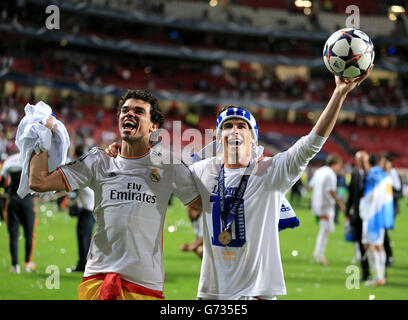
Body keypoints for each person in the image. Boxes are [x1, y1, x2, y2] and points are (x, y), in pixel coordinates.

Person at [187, 67, 371, 300]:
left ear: (252, 137)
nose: (234, 130)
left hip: (257, 294)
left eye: (241, 126)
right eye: (227, 126)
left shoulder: (271, 171)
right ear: (218, 136)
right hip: (212, 294)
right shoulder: (202, 170)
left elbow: (310, 144)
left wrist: (340, 93)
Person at [27, 89, 202, 300]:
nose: (129, 114)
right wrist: (41, 135)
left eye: (139, 111)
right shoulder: (98, 161)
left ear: (154, 126)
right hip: (98, 280)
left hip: (144, 285)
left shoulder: (167, 165)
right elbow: (38, 181)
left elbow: (207, 205)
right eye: (125, 110)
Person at [360, 153, 394, 286]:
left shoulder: (373, 175)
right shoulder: (385, 176)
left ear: (368, 162)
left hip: (371, 215)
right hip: (382, 215)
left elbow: (371, 196)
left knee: (369, 245)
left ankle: (377, 277)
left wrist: (363, 207)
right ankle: (381, 277)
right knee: (379, 246)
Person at [0, 151, 37, 274]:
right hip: (27, 201)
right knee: (29, 234)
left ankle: (15, 265)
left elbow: (2, 180)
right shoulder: (32, 159)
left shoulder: (9, 160)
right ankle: (27, 263)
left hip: (12, 200)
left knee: (13, 235)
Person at [309, 154, 345, 265]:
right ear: (335, 164)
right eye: (339, 165)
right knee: (324, 231)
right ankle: (319, 255)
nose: (339, 168)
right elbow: (331, 191)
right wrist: (340, 204)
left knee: (324, 229)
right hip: (325, 206)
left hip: (316, 204)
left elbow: (311, 186)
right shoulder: (331, 174)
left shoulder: (320, 171)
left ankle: (318, 254)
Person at [69, 144, 95, 272]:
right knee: (84, 237)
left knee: (84, 237)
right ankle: (83, 263)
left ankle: (83, 265)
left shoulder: (80, 168)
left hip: (88, 209)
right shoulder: (87, 166)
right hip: (88, 208)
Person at [345, 150, 370, 280]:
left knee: (375, 243)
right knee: (361, 242)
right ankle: (365, 272)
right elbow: (351, 194)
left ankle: (380, 270)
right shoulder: (354, 174)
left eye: (363, 160)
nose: (361, 162)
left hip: (372, 214)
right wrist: (347, 211)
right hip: (358, 214)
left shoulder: (372, 174)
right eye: (359, 160)